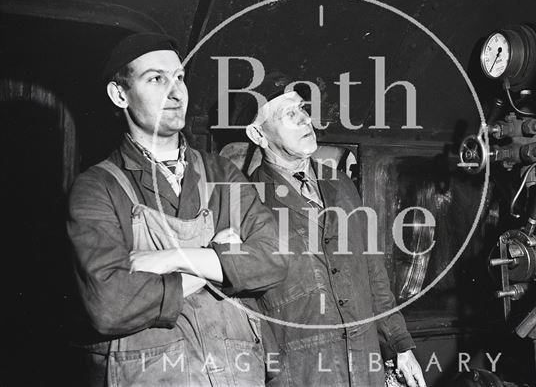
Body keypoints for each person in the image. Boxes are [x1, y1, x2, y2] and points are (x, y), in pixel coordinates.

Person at [67, 32, 286, 386]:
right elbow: (109, 305)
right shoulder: (97, 187)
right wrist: (218, 258)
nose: (176, 91)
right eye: (156, 78)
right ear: (119, 94)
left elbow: (273, 260)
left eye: (180, 78)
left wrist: (170, 258)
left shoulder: (221, 173)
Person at [245, 72, 427, 387]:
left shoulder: (340, 185)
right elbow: (244, 304)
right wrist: (273, 370)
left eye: (302, 109)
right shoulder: (246, 202)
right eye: (289, 114)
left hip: (364, 367)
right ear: (258, 134)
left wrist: (400, 345)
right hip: (302, 374)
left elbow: (372, 274)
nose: (305, 120)